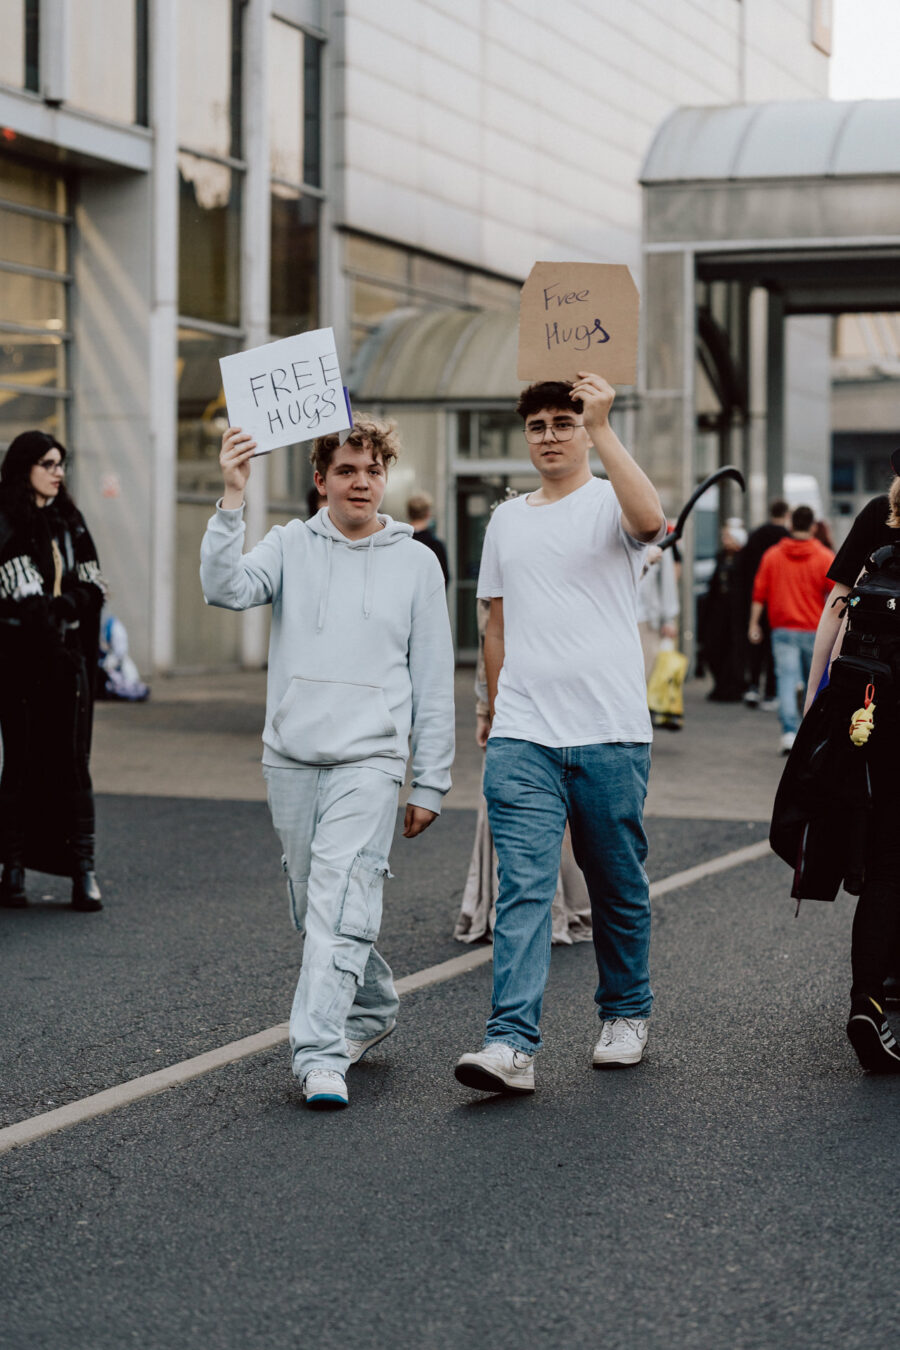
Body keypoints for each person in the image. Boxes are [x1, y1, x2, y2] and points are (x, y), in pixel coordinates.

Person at [200, 417, 455, 1109]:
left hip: (370, 760)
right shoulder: (288, 545)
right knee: (315, 908)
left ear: (386, 476)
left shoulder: (416, 561)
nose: (362, 482)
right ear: (321, 480)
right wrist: (232, 495)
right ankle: (371, 1007)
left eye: (373, 470)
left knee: (340, 898)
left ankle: (318, 1053)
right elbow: (223, 588)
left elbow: (432, 678)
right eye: (346, 470)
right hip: (291, 756)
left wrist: (429, 778)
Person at [453, 372, 666, 1095]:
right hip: (524, 733)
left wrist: (604, 427)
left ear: (583, 431)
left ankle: (626, 1014)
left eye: (563, 423)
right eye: (538, 424)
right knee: (524, 890)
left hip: (608, 730)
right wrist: (488, 705)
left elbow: (652, 521)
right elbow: (496, 622)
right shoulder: (508, 519)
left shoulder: (611, 497)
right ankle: (510, 1043)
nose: (550, 435)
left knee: (615, 884)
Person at [801, 453, 900, 1067]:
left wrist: (817, 703)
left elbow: (835, 610)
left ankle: (869, 1000)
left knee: (888, 859)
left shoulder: (877, 516)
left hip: (874, 710)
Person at [0, 430, 106, 911]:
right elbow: (24, 597)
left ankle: (82, 872)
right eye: (48, 463)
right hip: (19, 664)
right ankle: (14, 871)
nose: (58, 472)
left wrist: (66, 605)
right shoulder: (6, 519)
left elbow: (94, 583)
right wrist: (62, 608)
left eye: (61, 463)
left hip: (68, 665)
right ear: (25, 468)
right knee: (19, 764)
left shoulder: (70, 519)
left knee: (73, 766)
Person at [453, 597, 592, 947]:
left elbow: (491, 634)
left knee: (515, 811)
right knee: (558, 806)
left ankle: (524, 910)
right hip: (564, 694)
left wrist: (486, 709)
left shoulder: (503, 554)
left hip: (517, 702)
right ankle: (561, 907)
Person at [749, 504, 833, 754]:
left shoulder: (772, 556)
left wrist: (753, 624)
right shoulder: (825, 556)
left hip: (782, 629)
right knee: (816, 684)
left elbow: (759, 593)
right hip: (815, 630)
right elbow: (835, 594)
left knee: (785, 680)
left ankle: (788, 732)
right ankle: (814, 733)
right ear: (814, 527)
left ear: (790, 525)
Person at [740, 498, 790, 709]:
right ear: (786, 514)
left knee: (755, 645)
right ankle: (770, 692)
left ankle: (752, 686)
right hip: (779, 600)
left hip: (756, 598)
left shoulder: (756, 535)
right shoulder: (787, 539)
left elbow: (742, 566)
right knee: (773, 649)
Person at [698, 519, 747, 702]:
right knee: (716, 648)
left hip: (735, 612)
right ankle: (721, 685)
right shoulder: (721, 557)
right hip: (719, 611)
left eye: (728, 537)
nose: (725, 541)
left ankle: (731, 686)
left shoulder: (743, 559)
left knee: (732, 650)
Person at [636, 542, 679, 678]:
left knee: (645, 674)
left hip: (646, 620)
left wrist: (668, 619)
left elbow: (667, 582)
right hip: (616, 620)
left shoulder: (657, 537)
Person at [407, 491, 450, 586]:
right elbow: (444, 578)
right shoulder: (435, 544)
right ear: (428, 513)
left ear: (408, 513)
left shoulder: (400, 541)